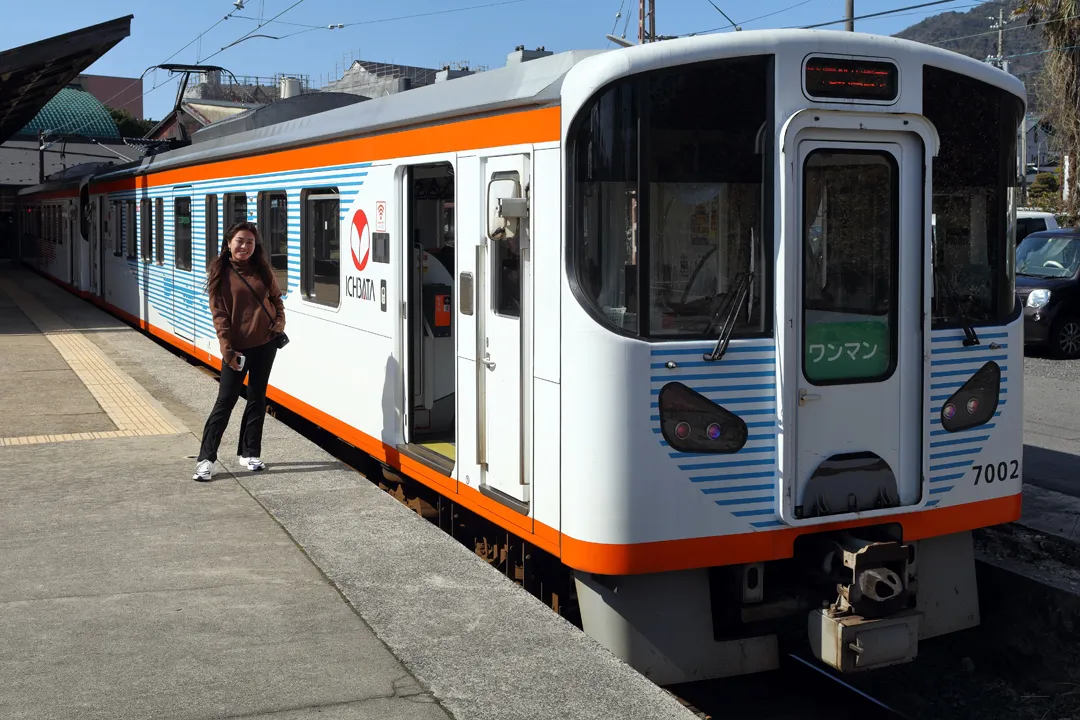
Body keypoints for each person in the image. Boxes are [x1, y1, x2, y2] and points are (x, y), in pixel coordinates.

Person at [193, 221, 286, 481]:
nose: (244, 246)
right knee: (225, 402)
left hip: (265, 345)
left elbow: (276, 300)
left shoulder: (262, 270)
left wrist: (279, 322)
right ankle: (206, 459)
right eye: (240, 241)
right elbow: (220, 316)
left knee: (258, 398)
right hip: (236, 350)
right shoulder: (220, 273)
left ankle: (249, 453)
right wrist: (227, 351)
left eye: (250, 242)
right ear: (229, 243)